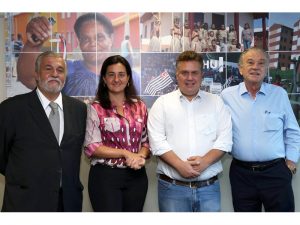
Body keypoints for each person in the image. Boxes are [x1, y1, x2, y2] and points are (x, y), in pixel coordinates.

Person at [0, 51, 87, 212]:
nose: (55, 74)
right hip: (25, 203)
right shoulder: (11, 108)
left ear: (65, 75)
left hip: (67, 203)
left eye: (60, 70)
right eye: (48, 68)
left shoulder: (79, 109)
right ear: (37, 73)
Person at [147, 50, 232, 212]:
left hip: (209, 189)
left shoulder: (216, 102)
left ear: (201, 75)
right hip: (172, 189)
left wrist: (205, 162)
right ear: (177, 75)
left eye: (194, 73)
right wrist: (179, 165)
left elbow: (225, 140)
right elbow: (156, 142)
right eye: (184, 73)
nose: (190, 78)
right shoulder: (162, 103)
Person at [221, 47, 300, 212]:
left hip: (276, 173)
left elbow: (292, 131)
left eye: (261, 63)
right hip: (241, 175)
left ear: (266, 69)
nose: (255, 67)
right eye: (250, 62)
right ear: (241, 69)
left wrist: (291, 162)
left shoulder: (279, 94)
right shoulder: (227, 96)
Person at [84, 55, 150, 212]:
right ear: (104, 79)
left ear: (128, 78)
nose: (116, 79)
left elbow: (146, 143)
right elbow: (92, 147)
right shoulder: (95, 108)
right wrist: (126, 153)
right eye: (111, 74)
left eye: (121, 74)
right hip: (105, 177)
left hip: (137, 176)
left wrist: (139, 157)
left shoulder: (140, 106)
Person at [17, 13, 141, 96]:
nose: (93, 43)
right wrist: (32, 45)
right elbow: (29, 79)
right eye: (86, 39)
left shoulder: (131, 77)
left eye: (100, 37)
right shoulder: (66, 70)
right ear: (79, 42)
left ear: (111, 39)